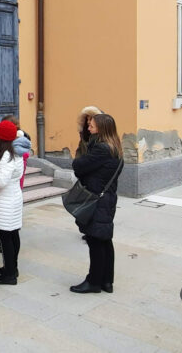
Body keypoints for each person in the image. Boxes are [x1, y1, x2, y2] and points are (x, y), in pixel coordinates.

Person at [70, 114, 123, 294]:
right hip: (106, 197)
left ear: (101, 128)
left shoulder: (101, 149)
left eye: (92, 126)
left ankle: (93, 281)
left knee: (95, 240)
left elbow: (78, 165)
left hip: (97, 200)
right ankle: (107, 281)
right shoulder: (115, 147)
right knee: (105, 240)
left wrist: (81, 162)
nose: (89, 128)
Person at [0, 120, 24, 285]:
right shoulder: (15, 151)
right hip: (12, 199)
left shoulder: (6, 155)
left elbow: (1, 181)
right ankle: (11, 267)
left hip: (4, 202)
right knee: (13, 235)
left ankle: (9, 274)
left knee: (6, 237)